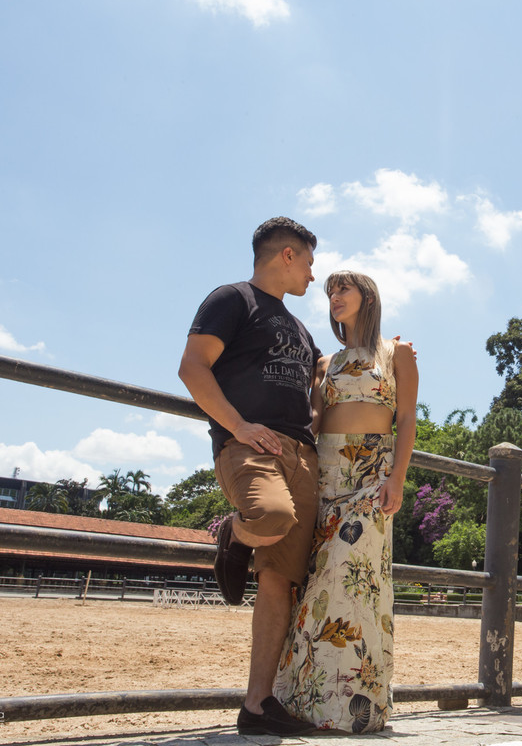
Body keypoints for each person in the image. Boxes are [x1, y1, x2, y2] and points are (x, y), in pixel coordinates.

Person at [178, 216, 321, 738]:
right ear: (287, 255)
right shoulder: (231, 299)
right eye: (308, 261)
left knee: (279, 580)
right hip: (249, 444)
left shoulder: (303, 331)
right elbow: (192, 367)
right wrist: (237, 425)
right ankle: (232, 534)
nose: (311, 273)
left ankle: (257, 705)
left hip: (302, 455)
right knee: (270, 515)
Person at [275, 270, 418, 733]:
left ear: (367, 296)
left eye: (343, 289)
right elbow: (315, 421)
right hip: (327, 477)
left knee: (356, 580)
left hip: (372, 476)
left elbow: (407, 421)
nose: (334, 297)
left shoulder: (397, 353)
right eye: (330, 291)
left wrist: (397, 478)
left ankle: (356, 709)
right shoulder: (326, 362)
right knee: (319, 584)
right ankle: (312, 704)